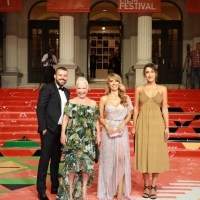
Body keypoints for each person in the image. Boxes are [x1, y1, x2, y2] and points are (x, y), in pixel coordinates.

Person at [56, 77, 100, 200]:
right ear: (76, 89)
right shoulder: (70, 102)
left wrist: (99, 135)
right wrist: (63, 134)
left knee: (86, 165)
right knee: (71, 165)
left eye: (83, 88)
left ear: (88, 89)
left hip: (88, 139)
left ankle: (84, 190)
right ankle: (69, 192)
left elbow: (96, 120)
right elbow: (65, 118)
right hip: (73, 138)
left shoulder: (93, 103)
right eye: (79, 88)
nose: (81, 91)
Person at [131, 63, 170, 199]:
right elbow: (136, 109)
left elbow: (164, 108)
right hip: (142, 123)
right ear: (144, 74)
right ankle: (146, 186)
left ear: (156, 73)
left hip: (157, 124)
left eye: (152, 72)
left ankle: (154, 186)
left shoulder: (163, 89)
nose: (149, 74)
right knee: (144, 153)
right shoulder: (139, 89)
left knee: (156, 154)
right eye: (147, 72)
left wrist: (167, 126)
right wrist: (134, 126)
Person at [97, 73, 133, 200]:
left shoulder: (125, 97)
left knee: (121, 159)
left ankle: (119, 191)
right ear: (108, 83)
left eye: (116, 81)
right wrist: (106, 126)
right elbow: (100, 117)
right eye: (111, 81)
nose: (114, 83)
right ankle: (109, 189)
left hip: (122, 131)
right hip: (108, 131)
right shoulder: (104, 99)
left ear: (119, 83)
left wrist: (123, 124)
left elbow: (129, 115)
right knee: (109, 160)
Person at [36, 67, 70, 200]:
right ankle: (41, 189)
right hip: (49, 129)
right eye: (60, 75)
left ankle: (55, 185)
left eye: (65, 75)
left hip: (61, 130)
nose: (62, 77)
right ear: (55, 76)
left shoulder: (67, 92)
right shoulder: (47, 88)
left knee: (56, 158)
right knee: (45, 159)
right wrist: (43, 128)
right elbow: (40, 109)